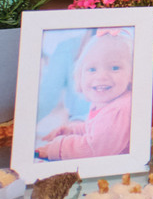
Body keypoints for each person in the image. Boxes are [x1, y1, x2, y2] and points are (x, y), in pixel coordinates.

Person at [36, 31, 133, 160]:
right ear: (79, 75)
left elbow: (94, 148)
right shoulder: (110, 102)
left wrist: (57, 148)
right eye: (92, 69)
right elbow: (98, 127)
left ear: (132, 73)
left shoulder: (119, 110)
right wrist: (73, 130)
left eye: (115, 68)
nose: (101, 76)